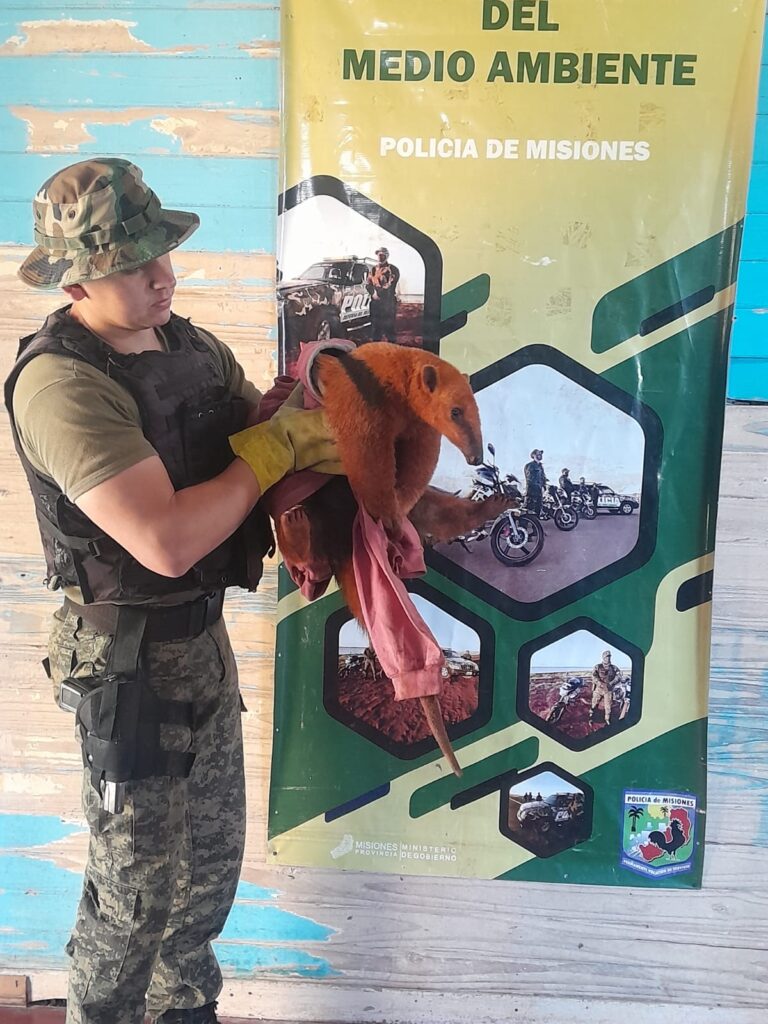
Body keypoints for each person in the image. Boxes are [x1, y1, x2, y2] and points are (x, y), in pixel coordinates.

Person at [5, 158, 340, 1024]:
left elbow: (257, 439)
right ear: (75, 276)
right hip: (129, 670)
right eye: (132, 263)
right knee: (133, 905)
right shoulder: (61, 383)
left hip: (200, 646)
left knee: (202, 890)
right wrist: (274, 453)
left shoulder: (186, 347)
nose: (163, 276)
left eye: (161, 253)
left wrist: (326, 441)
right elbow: (166, 538)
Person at [366, 245, 400, 342]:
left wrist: (379, 294)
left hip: (387, 303)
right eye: (379, 255)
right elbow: (368, 284)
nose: (380, 257)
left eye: (383, 255)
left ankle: (392, 350)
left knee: (389, 328)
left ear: (387, 256)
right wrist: (373, 293)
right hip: (375, 303)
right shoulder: (373, 269)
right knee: (376, 328)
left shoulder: (392, 269)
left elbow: (390, 284)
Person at [591, 650, 623, 727]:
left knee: (608, 705)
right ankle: (591, 717)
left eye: (609, 657)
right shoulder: (597, 666)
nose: (608, 658)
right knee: (594, 703)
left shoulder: (614, 668)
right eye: (606, 657)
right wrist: (599, 683)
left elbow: (619, 676)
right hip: (599, 688)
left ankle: (607, 719)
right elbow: (593, 676)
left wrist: (611, 683)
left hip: (608, 689)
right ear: (603, 657)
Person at [524, 448, 546, 516]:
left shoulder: (540, 466)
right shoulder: (530, 466)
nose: (540, 455)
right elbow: (530, 479)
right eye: (538, 454)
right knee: (528, 509)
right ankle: (523, 526)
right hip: (532, 492)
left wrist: (544, 486)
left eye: (541, 454)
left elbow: (543, 478)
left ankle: (535, 526)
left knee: (537, 510)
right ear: (533, 455)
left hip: (539, 492)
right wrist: (539, 486)